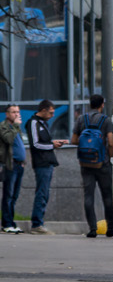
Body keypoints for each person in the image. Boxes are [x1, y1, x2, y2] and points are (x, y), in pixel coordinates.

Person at [76, 94, 113, 238]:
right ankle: (110, 228)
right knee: (107, 196)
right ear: (102, 105)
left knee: (88, 196)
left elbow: (74, 140)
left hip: (85, 163)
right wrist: (110, 156)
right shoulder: (106, 121)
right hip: (102, 163)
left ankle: (92, 228)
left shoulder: (81, 119)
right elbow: (111, 142)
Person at [27, 100, 68, 235]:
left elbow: (43, 142)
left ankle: (39, 222)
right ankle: (36, 224)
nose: (52, 115)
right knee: (42, 193)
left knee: (45, 193)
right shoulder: (33, 122)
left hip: (48, 162)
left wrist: (53, 143)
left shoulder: (43, 123)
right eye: (50, 113)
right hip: (41, 163)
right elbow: (35, 144)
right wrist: (52, 145)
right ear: (43, 110)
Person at [1, 105, 25, 234]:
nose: (16, 114)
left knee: (14, 195)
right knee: (8, 195)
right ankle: (6, 224)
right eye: (13, 112)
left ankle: (11, 222)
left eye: (18, 112)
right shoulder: (3, 126)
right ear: (7, 114)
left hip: (19, 164)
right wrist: (15, 126)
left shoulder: (16, 127)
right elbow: (8, 139)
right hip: (10, 165)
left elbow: (19, 145)